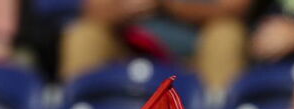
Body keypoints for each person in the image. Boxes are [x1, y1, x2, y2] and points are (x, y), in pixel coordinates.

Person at [59, 0, 258, 96]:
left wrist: (173, 5)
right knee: (85, 35)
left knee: (226, 34)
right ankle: (75, 105)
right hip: (130, 45)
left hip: (197, 50)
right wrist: (130, 8)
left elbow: (234, 10)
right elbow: (94, 10)